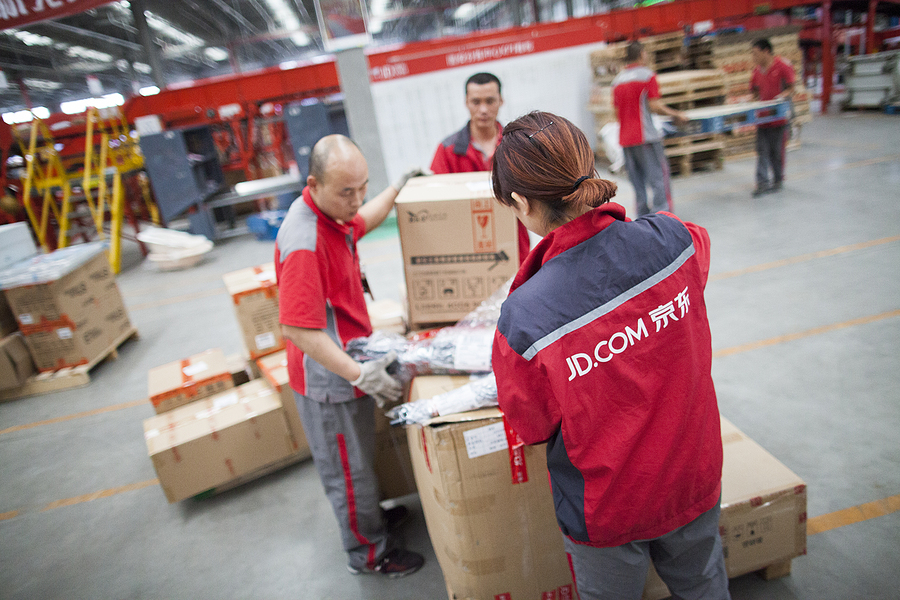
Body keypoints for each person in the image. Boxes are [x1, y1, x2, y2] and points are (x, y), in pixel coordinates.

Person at [490, 111, 730, 600]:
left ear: (521, 203)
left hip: (607, 507)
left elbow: (531, 426)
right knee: (705, 587)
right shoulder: (673, 239)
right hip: (691, 474)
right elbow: (698, 250)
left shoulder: (526, 317)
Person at [275, 134, 424, 578]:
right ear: (314, 184)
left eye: (363, 188)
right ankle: (368, 553)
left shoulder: (334, 215)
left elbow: (364, 220)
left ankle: (372, 520)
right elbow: (297, 329)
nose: (356, 201)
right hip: (330, 379)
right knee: (348, 470)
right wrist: (359, 374)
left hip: (350, 361)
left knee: (360, 461)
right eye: (346, 192)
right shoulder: (305, 240)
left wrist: (396, 187)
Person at [431, 72, 531, 264]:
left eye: (490, 101)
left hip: (516, 246)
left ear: (501, 101)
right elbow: (437, 203)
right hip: (468, 251)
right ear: (466, 102)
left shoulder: (518, 146)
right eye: (476, 102)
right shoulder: (447, 151)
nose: (483, 109)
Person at [612, 41, 688, 217]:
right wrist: (676, 114)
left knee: (637, 182)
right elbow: (655, 106)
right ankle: (663, 215)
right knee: (658, 177)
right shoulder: (647, 76)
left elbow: (616, 113)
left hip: (626, 139)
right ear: (641, 54)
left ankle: (642, 215)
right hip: (646, 136)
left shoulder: (617, 81)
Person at [750, 37, 795, 197]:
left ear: (766, 51)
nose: (754, 57)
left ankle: (778, 179)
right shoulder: (756, 71)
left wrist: (781, 97)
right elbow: (754, 92)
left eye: (756, 53)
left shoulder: (783, 66)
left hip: (779, 117)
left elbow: (791, 88)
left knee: (776, 151)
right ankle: (762, 183)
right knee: (762, 150)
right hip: (762, 118)